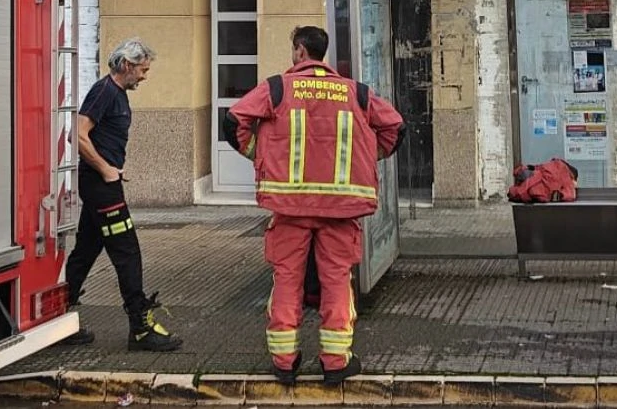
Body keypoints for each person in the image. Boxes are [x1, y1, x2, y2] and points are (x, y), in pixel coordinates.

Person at [224, 26, 404, 386]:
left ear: (299, 51)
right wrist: (367, 159)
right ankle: (336, 363)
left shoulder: (278, 88)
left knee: (287, 280)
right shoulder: (356, 91)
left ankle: (284, 363)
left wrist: (259, 156)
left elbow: (234, 120)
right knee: (337, 282)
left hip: (290, 207)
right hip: (340, 209)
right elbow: (395, 128)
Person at [60, 37, 183, 352]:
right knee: (127, 252)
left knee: (86, 250)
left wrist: (112, 167)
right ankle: (140, 328)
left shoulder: (114, 93)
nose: (144, 76)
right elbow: (78, 134)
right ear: (126, 65)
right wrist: (104, 169)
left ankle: (56, 319)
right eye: (142, 70)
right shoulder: (104, 92)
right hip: (101, 187)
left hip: (103, 183)